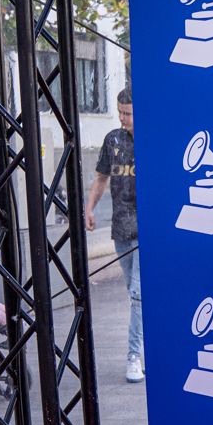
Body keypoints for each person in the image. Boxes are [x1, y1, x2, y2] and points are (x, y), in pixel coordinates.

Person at [85, 85, 142, 382]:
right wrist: (90, 208)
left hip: (147, 232)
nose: (123, 119)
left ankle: (134, 354)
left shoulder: (154, 137)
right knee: (135, 297)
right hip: (120, 228)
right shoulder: (112, 140)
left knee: (138, 296)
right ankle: (146, 345)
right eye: (120, 113)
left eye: (128, 114)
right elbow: (101, 178)